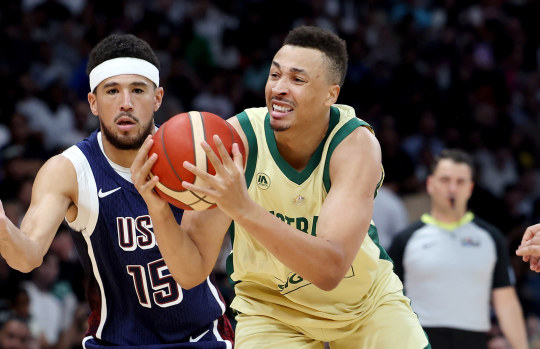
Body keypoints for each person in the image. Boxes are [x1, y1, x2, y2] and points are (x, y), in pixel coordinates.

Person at [132, 25, 428, 348]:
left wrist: (243, 209)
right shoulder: (235, 142)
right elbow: (191, 272)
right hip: (271, 310)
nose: (279, 88)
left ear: (332, 94)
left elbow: (330, 269)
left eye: (297, 79)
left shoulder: (355, 146)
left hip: (365, 306)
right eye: (275, 75)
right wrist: (158, 208)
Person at [0, 33, 233, 348]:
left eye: (138, 90)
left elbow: (194, 271)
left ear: (157, 98)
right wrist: (0, 224)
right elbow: (27, 257)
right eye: (112, 91)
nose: (125, 103)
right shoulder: (69, 171)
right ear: (93, 102)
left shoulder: (194, 156)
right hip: (115, 341)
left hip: (201, 337)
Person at [388, 149, 528, 349]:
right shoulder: (406, 240)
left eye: (460, 182)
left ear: (470, 188)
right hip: (419, 340)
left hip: (473, 339)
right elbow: (389, 302)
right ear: (430, 184)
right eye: (445, 180)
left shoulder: (491, 238)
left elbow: (506, 302)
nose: (452, 188)